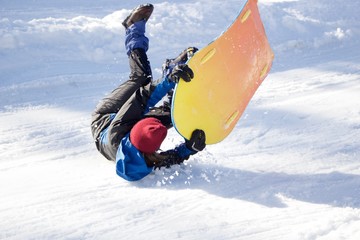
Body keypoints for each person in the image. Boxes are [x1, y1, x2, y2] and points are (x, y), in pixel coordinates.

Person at [91, 3, 206, 181]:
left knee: (142, 78)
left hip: (107, 116)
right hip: (129, 127)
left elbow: (144, 96)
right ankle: (172, 68)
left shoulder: (120, 131)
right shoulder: (145, 159)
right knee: (174, 116)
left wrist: (169, 79)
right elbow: (168, 160)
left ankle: (133, 27)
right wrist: (189, 148)